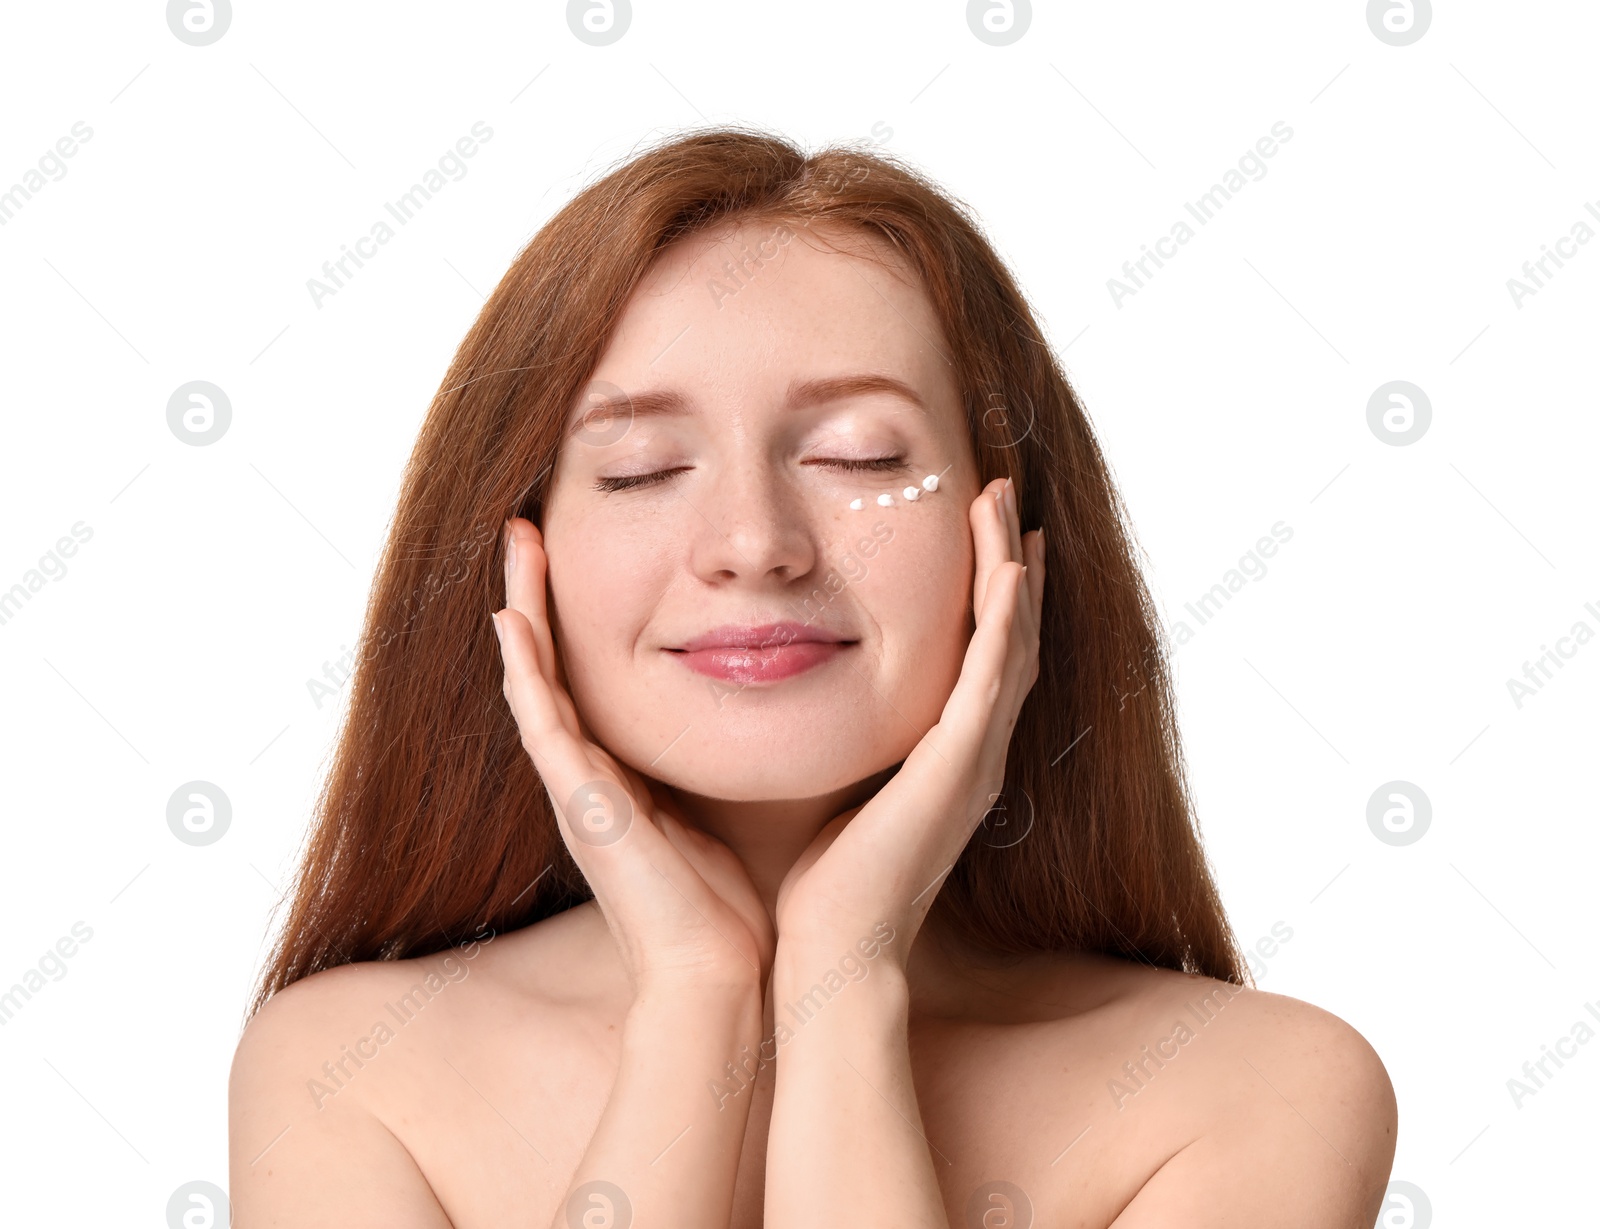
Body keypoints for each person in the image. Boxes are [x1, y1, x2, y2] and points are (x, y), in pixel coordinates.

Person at [228, 127, 1396, 1227]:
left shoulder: (1258, 1090)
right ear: (516, 555)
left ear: (1013, 545)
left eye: (861, 455)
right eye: (638, 468)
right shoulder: (351, 1071)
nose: (753, 539)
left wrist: (843, 984)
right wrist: (694, 1000)